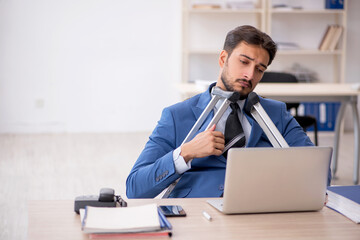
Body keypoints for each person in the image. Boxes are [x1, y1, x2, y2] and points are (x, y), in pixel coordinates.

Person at [126, 25, 326, 199]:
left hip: (261, 211)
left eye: (259, 69)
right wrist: (186, 153)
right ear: (223, 59)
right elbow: (135, 188)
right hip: (198, 214)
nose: (250, 75)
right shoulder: (177, 116)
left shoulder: (276, 113)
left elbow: (319, 172)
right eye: (244, 62)